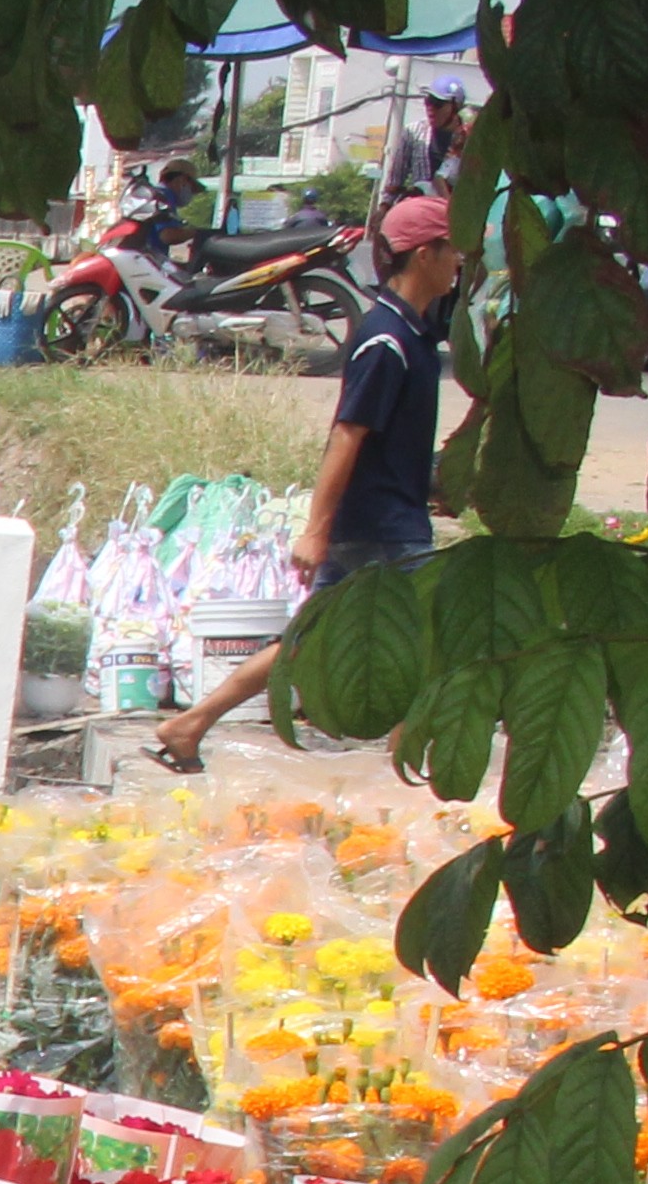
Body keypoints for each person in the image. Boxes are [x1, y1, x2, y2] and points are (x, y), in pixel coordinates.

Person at [153, 192, 464, 774]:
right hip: (381, 528)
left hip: (387, 515)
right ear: (425, 254)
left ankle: (188, 723)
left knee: (307, 642)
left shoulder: (408, 334)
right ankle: (409, 770)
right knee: (424, 641)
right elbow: (346, 436)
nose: (459, 264)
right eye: (453, 252)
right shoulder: (385, 341)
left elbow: (386, 440)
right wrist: (315, 531)